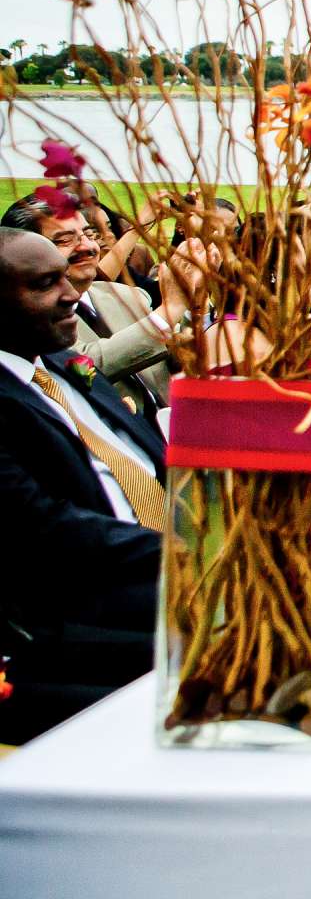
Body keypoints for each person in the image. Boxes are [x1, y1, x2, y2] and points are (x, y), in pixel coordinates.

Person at [0, 226, 169, 744]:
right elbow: (47, 530)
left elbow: (151, 458)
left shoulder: (57, 361)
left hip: (158, 563)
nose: (74, 292)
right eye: (45, 284)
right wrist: (189, 555)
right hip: (84, 604)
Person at [2, 191, 208, 416]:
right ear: (30, 253)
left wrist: (195, 309)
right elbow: (80, 365)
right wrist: (170, 311)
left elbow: (182, 359)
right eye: (65, 240)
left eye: (88, 234)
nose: (86, 246)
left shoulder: (127, 295)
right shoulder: (32, 316)